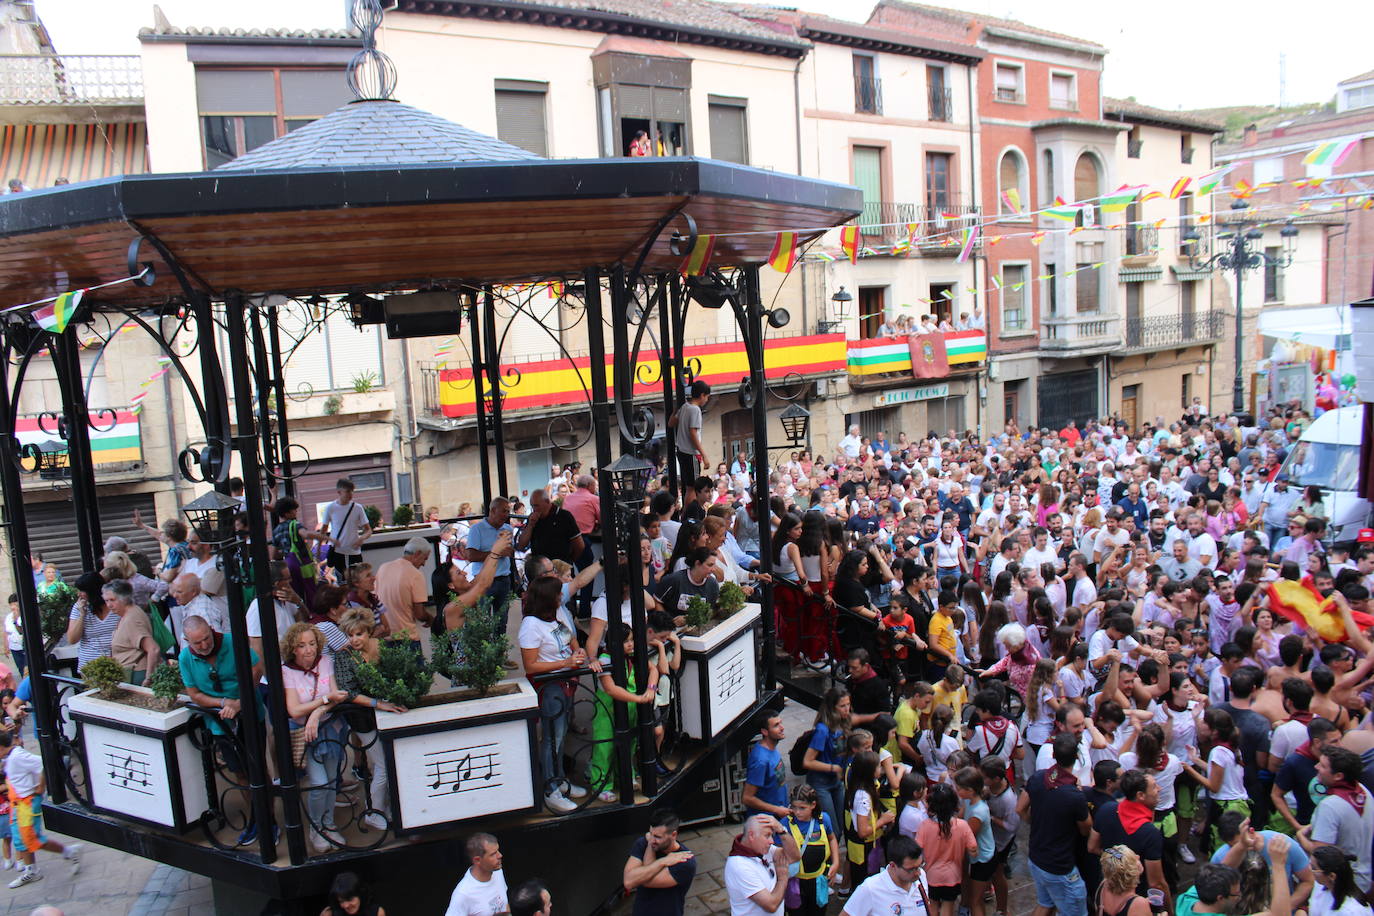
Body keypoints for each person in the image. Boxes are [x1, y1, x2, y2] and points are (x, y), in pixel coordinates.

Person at [519, 575, 588, 813]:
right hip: (551, 688)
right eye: (558, 593)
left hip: (565, 683)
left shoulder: (555, 617)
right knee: (551, 739)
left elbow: (572, 640)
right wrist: (566, 663)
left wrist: (576, 654)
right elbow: (531, 665)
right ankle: (550, 788)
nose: (562, 596)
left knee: (561, 735)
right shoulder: (530, 625)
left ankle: (560, 780)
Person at [333, 609, 406, 831]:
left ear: (368, 632)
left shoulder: (380, 647)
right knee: (383, 765)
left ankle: (389, 807)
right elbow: (349, 692)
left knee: (393, 762)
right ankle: (373, 812)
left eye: (358, 634)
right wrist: (377, 703)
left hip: (386, 714)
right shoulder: (343, 657)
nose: (354, 639)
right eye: (350, 635)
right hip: (362, 718)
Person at [280, 622, 349, 853]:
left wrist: (317, 713)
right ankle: (316, 827)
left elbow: (336, 695)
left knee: (331, 780)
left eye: (311, 644)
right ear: (293, 649)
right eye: (301, 646)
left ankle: (329, 824)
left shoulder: (326, 662)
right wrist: (322, 702)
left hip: (330, 729)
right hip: (305, 735)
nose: (308, 650)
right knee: (318, 783)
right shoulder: (287, 671)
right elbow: (294, 709)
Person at [1019, 732, 1092, 916]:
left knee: (1045, 904)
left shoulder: (1037, 778)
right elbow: (1086, 829)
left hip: (1037, 857)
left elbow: (1020, 809)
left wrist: (1037, 823)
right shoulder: (1075, 795)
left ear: (1053, 755)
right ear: (1076, 757)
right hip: (1060, 867)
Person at [0, 729, 79, 890]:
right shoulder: (10, 757)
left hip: (27, 802)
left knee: (32, 839)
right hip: (18, 804)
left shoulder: (17, 756)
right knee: (21, 839)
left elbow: (43, 763)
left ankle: (68, 851)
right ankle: (32, 870)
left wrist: (41, 786)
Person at [1087, 769, 1168, 910]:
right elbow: (1156, 883)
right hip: (1134, 899)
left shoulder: (1106, 809)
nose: (1159, 789)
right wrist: (1170, 911)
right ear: (1140, 795)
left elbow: (1092, 847)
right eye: (1154, 786)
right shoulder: (1150, 833)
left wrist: (1117, 860)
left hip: (1108, 889)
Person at [1297, 746, 1374, 895]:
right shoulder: (1364, 792)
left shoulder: (1330, 806)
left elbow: (1320, 853)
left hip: (1337, 887)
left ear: (1338, 776)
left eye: (1323, 766)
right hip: (1363, 878)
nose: (1316, 767)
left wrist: (1300, 837)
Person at [622, 808, 696, 916]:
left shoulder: (685, 861)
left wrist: (639, 874)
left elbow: (646, 881)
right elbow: (628, 882)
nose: (652, 839)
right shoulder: (644, 844)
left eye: (657, 836)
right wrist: (662, 861)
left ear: (674, 835)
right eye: (651, 833)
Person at [915, 783, 975, 916]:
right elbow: (973, 849)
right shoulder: (963, 826)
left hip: (930, 876)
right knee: (948, 906)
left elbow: (916, 850)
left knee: (933, 905)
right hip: (953, 876)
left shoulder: (924, 826)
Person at [723, 814, 800, 916]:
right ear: (751, 835)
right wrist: (783, 878)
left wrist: (781, 830)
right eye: (767, 835)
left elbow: (794, 857)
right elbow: (771, 906)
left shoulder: (764, 849)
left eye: (772, 835)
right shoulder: (740, 866)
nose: (772, 841)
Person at [839, 834, 932, 916]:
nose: (918, 873)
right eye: (911, 869)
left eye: (920, 866)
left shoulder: (921, 877)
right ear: (893, 865)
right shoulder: (870, 888)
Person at [782, 784, 839, 915]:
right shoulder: (785, 824)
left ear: (813, 805)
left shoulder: (824, 819)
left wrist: (836, 863)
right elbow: (778, 851)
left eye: (802, 808)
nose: (797, 812)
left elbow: (832, 839)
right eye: (794, 807)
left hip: (819, 880)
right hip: (795, 883)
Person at [376, 537, 434, 655]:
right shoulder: (415, 574)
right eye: (424, 559)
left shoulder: (383, 568)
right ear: (417, 554)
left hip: (384, 635)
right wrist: (430, 618)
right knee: (418, 673)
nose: (424, 564)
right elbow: (419, 614)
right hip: (407, 637)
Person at [465, 498, 516, 630]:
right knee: (483, 620)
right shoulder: (477, 529)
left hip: (504, 579)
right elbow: (471, 556)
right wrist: (497, 552)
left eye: (508, 511)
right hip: (483, 580)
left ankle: (500, 650)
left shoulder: (508, 528)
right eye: (503, 511)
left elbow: (511, 551)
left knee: (502, 621)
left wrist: (507, 551)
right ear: (493, 510)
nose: (506, 515)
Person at [105, 579, 159, 686]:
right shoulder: (127, 615)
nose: (109, 605)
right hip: (129, 674)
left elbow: (153, 649)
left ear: (124, 599)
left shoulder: (132, 617)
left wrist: (149, 678)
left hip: (136, 675)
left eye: (112, 600)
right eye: (106, 601)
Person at [65, 571, 118, 673]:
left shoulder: (114, 605)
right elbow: (72, 639)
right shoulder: (78, 607)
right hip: (90, 665)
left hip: (118, 662)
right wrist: (82, 615)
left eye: (82, 591)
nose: (78, 594)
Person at [445, 833, 508, 916]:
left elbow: (504, 906)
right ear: (477, 860)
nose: (500, 855)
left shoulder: (498, 872)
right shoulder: (463, 893)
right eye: (493, 854)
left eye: (498, 851)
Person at [670, 381, 711, 508]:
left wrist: (676, 409)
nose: (707, 400)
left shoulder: (685, 407)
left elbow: (671, 423)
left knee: (689, 487)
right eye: (707, 396)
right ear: (702, 395)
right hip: (691, 452)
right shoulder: (695, 410)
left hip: (682, 451)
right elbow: (693, 433)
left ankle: (687, 513)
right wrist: (704, 455)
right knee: (693, 487)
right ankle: (689, 514)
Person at [322, 478, 373, 574]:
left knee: (357, 579)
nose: (351, 494)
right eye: (348, 491)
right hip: (338, 550)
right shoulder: (330, 508)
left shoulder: (358, 508)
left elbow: (368, 530)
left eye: (352, 491)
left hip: (354, 550)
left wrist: (361, 538)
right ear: (339, 492)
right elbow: (323, 531)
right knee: (342, 581)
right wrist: (321, 549)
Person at [744, 712, 790, 819]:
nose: (782, 728)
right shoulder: (760, 761)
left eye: (781, 723)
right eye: (776, 725)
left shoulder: (772, 747)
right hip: (767, 822)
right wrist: (777, 809)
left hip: (779, 815)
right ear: (764, 732)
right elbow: (747, 798)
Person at [1309, 844, 1373, 916]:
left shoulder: (1350, 911)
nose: (1310, 870)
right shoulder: (1322, 886)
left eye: (1314, 868)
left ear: (1332, 876)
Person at [1095, 845, 1151, 916]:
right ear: (1131, 872)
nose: (1138, 856)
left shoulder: (1103, 885)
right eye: (1134, 858)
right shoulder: (1139, 904)